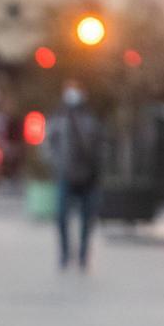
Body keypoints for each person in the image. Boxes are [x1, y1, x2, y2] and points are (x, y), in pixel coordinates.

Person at [48, 81, 105, 270]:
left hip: (88, 176)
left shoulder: (90, 121)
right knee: (62, 216)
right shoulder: (58, 122)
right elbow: (49, 146)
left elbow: (99, 147)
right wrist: (57, 164)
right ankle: (65, 254)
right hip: (66, 175)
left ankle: (82, 255)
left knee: (87, 219)